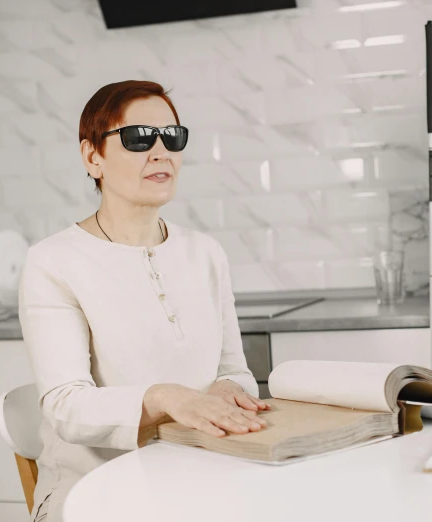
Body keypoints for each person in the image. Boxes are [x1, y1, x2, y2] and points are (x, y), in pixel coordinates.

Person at [18, 80, 269, 522]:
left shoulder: (206, 252)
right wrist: (166, 397)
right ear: (92, 157)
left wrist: (230, 388)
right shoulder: (52, 262)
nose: (160, 152)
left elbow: (235, 371)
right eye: (137, 138)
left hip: (202, 482)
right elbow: (66, 406)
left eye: (172, 137)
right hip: (96, 496)